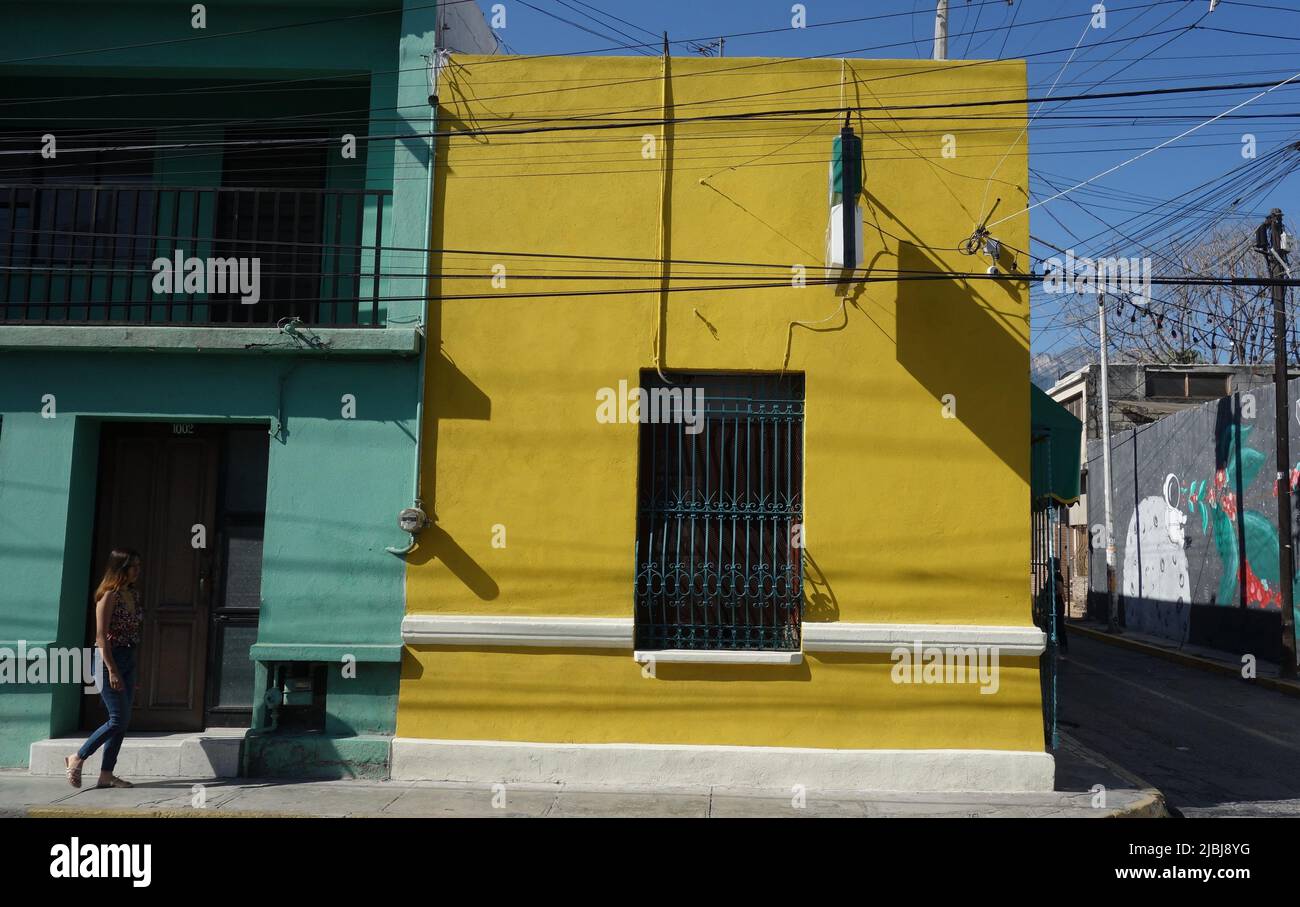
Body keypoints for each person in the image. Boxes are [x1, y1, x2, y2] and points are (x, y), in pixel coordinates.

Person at [65, 548, 142, 789]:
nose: (137, 570)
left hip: (128, 657)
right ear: (121, 568)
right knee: (117, 719)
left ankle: (106, 774)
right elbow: (101, 637)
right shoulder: (108, 595)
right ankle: (77, 757)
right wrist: (112, 670)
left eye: (138, 566)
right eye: (133, 566)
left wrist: (128, 670)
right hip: (108, 659)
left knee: (123, 721)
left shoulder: (132, 594)